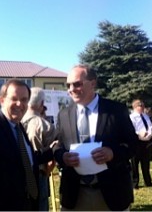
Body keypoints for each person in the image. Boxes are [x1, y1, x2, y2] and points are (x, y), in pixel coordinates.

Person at [53, 64, 138, 211]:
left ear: (93, 83)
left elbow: (133, 144)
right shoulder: (64, 114)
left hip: (112, 194)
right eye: (68, 85)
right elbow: (57, 145)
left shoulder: (115, 110)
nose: (71, 89)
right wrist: (63, 157)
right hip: (75, 194)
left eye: (77, 84)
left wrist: (112, 153)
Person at [0, 79, 53, 211]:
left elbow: (25, 160)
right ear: (2, 100)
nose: (19, 104)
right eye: (14, 99)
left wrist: (53, 150)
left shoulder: (19, 128)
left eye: (24, 100)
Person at [21, 87, 56, 211]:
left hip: (19, 174)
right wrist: (47, 172)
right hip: (39, 175)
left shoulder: (16, 123)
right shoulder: (46, 126)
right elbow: (53, 156)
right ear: (41, 104)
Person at [129, 99, 152, 189]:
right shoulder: (132, 117)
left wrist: (149, 134)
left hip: (146, 141)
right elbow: (131, 130)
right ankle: (135, 182)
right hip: (136, 141)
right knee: (135, 163)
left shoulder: (145, 116)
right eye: (141, 106)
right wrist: (139, 134)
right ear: (136, 107)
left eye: (143, 106)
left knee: (146, 162)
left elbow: (150, 126)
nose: (143, 108)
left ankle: (148, 181)